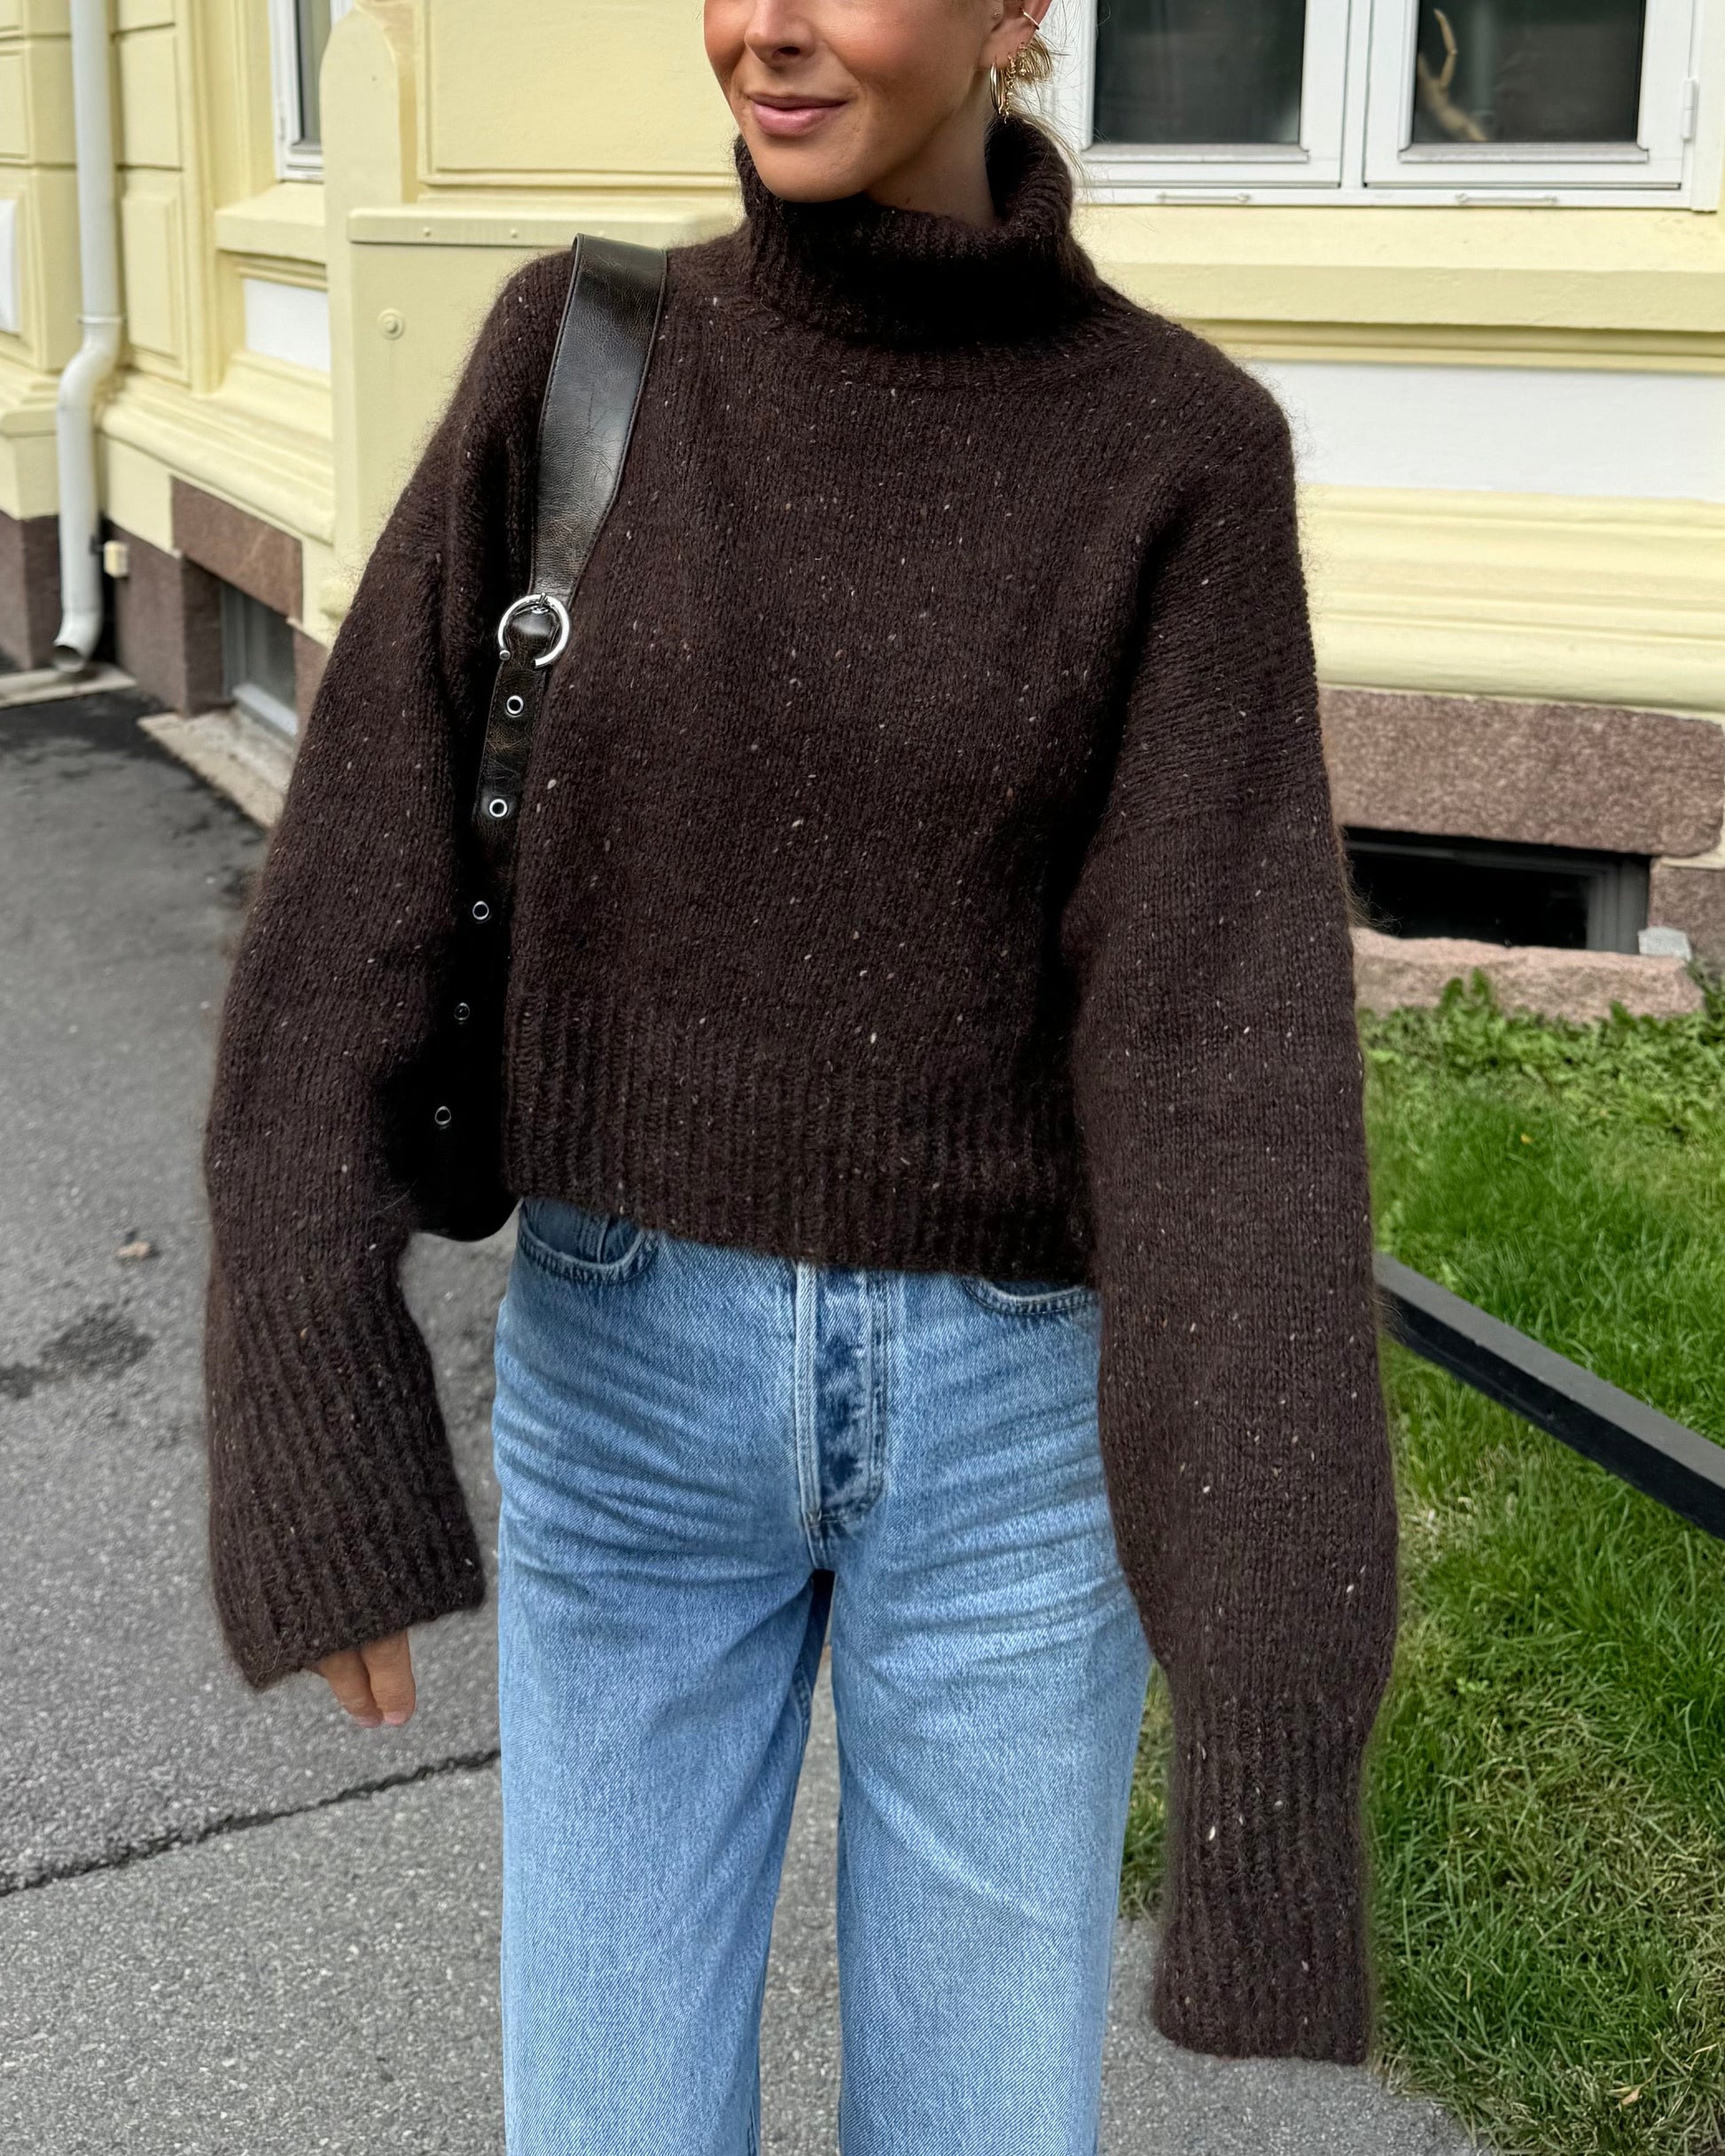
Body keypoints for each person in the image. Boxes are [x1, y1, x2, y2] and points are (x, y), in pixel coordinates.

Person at [199, 1, 1401, 2149]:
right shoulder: (580, 359)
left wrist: (1270, 1724)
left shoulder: (1173, 454)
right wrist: (307, 1371)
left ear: (1015, 13)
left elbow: (1223, 1077)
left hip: (1016, 1441)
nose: (763, 24)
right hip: (628, 1390)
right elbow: (353, 891)